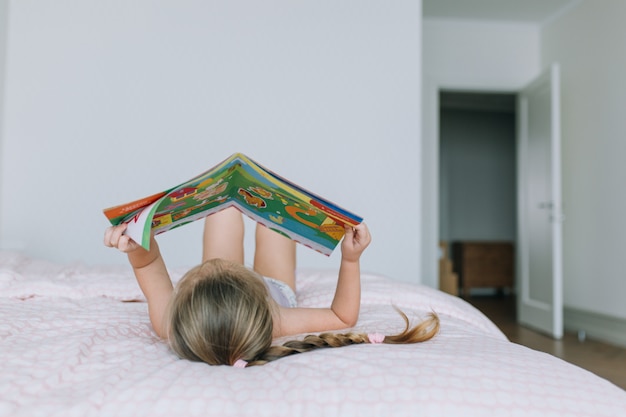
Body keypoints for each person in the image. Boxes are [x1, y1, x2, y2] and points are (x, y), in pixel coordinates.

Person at [104, 207, 439, 367]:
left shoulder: (171, 323)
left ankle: (231, 208)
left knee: (223, 213)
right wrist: (350, 260)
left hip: (230, 296)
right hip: (274, 289)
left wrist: (135, 243)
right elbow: (342, 315)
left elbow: (148, 264)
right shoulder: (275, 316)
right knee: (275, 229)